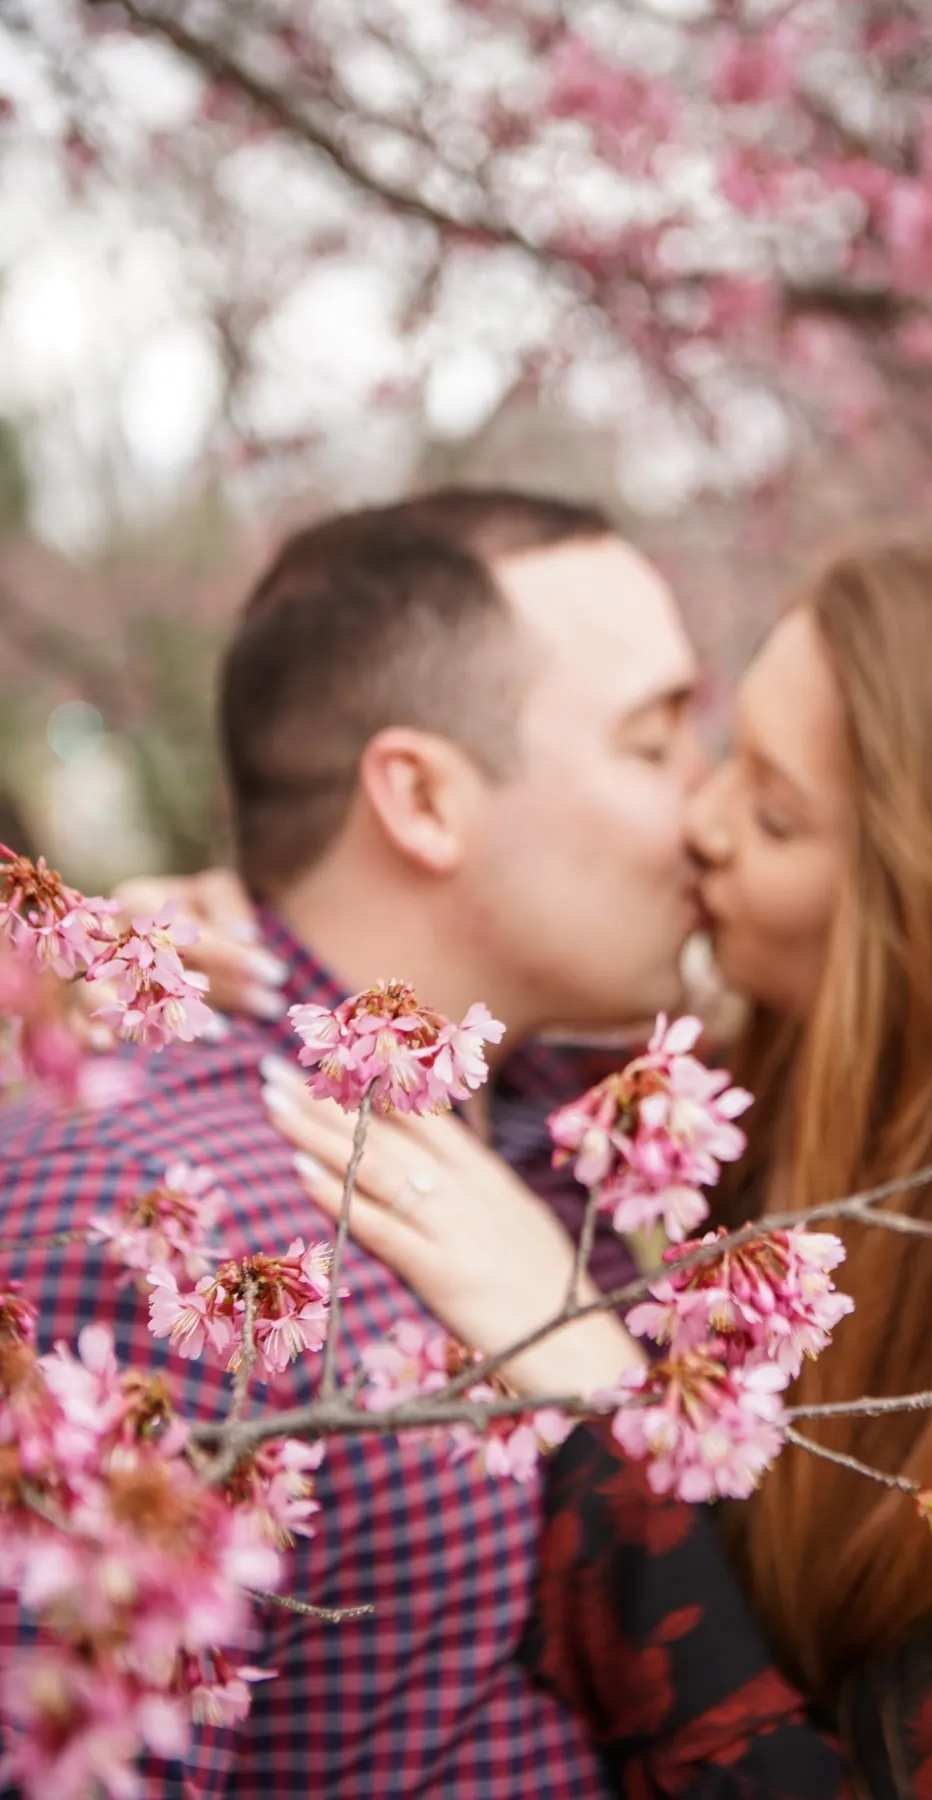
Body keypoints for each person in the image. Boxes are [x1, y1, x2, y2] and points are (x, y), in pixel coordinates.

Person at [255, 536, 932, 1800]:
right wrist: (240, 938)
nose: (698, 821)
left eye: (771, 811)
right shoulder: (803, 1120)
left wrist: (611, 1407)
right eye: (717, 747)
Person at [0, 487, 761, 1799]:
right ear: (419, 796)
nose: (709, 813)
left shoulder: (555, 1113)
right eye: (654, 744)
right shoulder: (140, 1212)